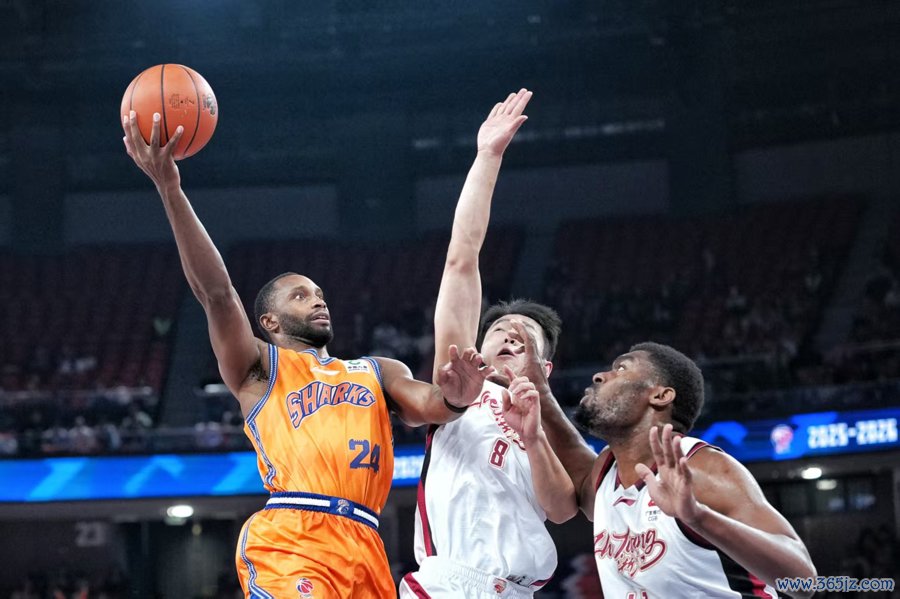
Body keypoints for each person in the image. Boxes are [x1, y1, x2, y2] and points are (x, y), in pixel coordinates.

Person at [122, 111, 493, 598]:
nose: (318, 301)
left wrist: (458, 396)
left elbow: (432, 405)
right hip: (294, 535)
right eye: (300, 296)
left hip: (366, 543)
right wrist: (171, 189)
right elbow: (216, 293)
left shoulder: (377, 370)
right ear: (269, 323)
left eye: (319, 294)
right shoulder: (260, 369)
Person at [400, 89, 574, 599]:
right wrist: (487, 157)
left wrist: (534, 437)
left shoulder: (550, 426)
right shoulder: (459, 385)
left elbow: (563, 510)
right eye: (500, 329)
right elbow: (462, 259)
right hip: (448, 584)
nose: (509, 334)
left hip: (518, 590)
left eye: (524, 337)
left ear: (545, 368)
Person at [502, 325, 818, 598]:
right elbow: (575, 460)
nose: (599, 376)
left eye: (621, 369)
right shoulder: (605, 474)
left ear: (660, 396)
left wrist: (699, 518)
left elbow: (803, 582)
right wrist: (540, 390)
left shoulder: (703, 469)